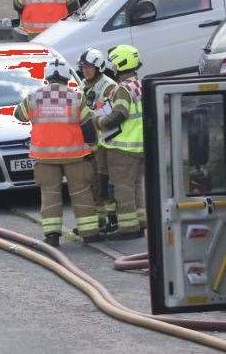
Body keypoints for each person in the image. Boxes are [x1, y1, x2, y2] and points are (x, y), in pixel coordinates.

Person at [13, 57, 101, 247]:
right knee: (81, 192)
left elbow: (18, 115)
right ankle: (90, 234)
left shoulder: (34, 97)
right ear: (66, 77)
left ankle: (52, 236)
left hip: (44, 157)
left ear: (46, 77)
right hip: (75, 156)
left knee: (50, 194)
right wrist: (92, 147)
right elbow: (87, 125)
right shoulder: (77, 97)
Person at [94, 44, 146, 240]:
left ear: (120, 64)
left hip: (122, 149)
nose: (112, 68)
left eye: (114, 64)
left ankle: (128, 229)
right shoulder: (140, 85)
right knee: (136, 187)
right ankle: (140, 223)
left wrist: (100, 122)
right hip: (140, 146)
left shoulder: (123, 89)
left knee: (122, 188)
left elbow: (119, 115)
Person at [77, 48, 119, 234]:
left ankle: (112, 220)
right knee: (93, 183)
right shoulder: (84, 85)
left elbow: (111, 115)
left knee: (105, 183)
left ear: (99, 67)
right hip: (90, 142)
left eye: (89, 67)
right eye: (83, 67)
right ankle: (99, 221)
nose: (86, 70)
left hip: (105, 143)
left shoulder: (108, 86)